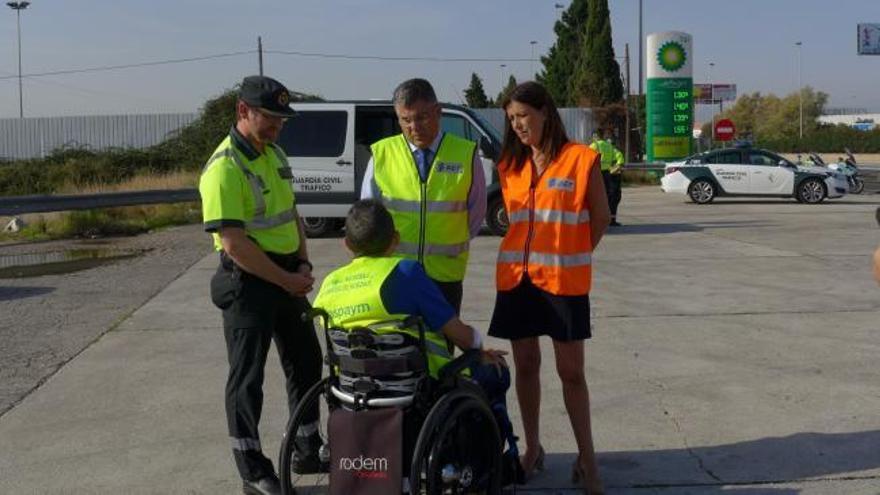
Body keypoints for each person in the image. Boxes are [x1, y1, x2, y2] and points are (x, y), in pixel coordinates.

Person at [312, 199, 520, 483]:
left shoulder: (330, 285)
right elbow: (456, 332)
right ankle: (487, 466)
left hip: (352, 392)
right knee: (496, 373)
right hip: (415, 389)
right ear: (395, 240)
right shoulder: (406, 274)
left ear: (346, 244)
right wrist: (479, 350)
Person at [199, 75, 323, 495]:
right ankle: (253, 469)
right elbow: (234, 244)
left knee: (307, 361)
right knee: (247, 379)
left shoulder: (275, 153)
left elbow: (292, 214)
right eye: (269, 118)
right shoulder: (223, 169)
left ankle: (307, 446)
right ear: (243, 111)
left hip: (288, 275)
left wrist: (302, 262)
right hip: (249, 282)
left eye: (282, 120)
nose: (277, 127)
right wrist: (287, 278)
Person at [489, 81, 610, 495]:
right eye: (511, 119)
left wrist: (572, 253)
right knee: (525, 367)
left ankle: (587, 460)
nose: (518, 125)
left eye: (523, 116)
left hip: (562, 283)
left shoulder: (581, 159)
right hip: (518, 281)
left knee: (571, 373)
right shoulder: (510, 165)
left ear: (545, 112)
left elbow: (600, 217)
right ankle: (534, 448)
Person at [360, 78, 486, 313]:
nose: (414, 127)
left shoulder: (465, 154)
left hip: (445, 276)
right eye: (405, 120)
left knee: (442, 345)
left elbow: (476, 214)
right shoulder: (382, 153)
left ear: (438, 112)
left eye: (421, 117)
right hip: (395, 272)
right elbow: (370, 216)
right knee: (400, 346)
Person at [590, 130, 625, 227]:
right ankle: (610, 220)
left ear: (595, 136)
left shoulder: (594, 146)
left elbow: (587, 160)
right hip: (608, 174)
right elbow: (619, 159)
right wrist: (615, 168)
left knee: (595, 198)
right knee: (608, 197)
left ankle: (596, 219)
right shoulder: (610, 146)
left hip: (596, 173)